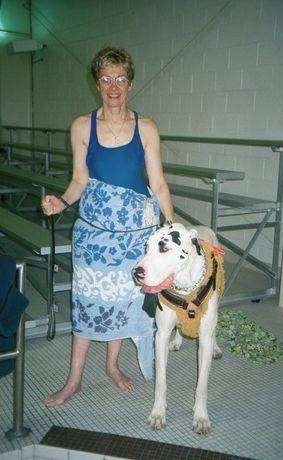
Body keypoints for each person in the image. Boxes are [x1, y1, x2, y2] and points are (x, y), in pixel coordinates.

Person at [41, 46, 174, 407]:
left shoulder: (146, 128)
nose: (113, 86)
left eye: (120, 79)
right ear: (96, 83)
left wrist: (175, 226)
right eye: (105, 79)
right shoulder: (82, 126)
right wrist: (61, 202)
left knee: (122, 302)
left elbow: (158, 184)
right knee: (86, 303)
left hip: (134, 239)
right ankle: (73, 381)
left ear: (130, 83)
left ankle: (113, 366)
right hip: (94, 239)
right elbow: (79, 181)